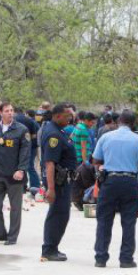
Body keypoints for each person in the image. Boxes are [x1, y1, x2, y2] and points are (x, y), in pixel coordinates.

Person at [92, 110, 138, 268]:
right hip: (129, 182)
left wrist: (103, 168)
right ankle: (126, 259)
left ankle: (100, 258)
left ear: (119, 122)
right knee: (129, 222)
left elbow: (96, 159)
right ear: (133, 124)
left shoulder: (106, 137)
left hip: (110, 181)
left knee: (104, 220)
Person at [0, 102, 30, 245]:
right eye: (7, 110)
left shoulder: (21, 130)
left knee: (15, 208)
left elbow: (25, 152)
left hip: (14, 175)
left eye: (11, 110)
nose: (10, 113)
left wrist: (21, 169)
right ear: (0, 113)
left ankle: (12, 236)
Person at [40, 103, 77, 262]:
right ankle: (49, 249)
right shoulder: (53, 135)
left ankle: (52, 247)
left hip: (62, 180)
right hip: (58, 182)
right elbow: (50, 163)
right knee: (57, 214)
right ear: (57, 116)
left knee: (61, 214)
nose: (70, 118)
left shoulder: (59, 131)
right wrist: (51, 189)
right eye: (67, 115)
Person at [15, 107, 41, 191]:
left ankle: (25, 185)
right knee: (29, 166)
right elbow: (34, 135)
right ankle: (34, 185)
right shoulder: (30, 121)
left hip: (19, 146)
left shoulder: (14, 120)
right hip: (32, 146)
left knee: (22, 166)